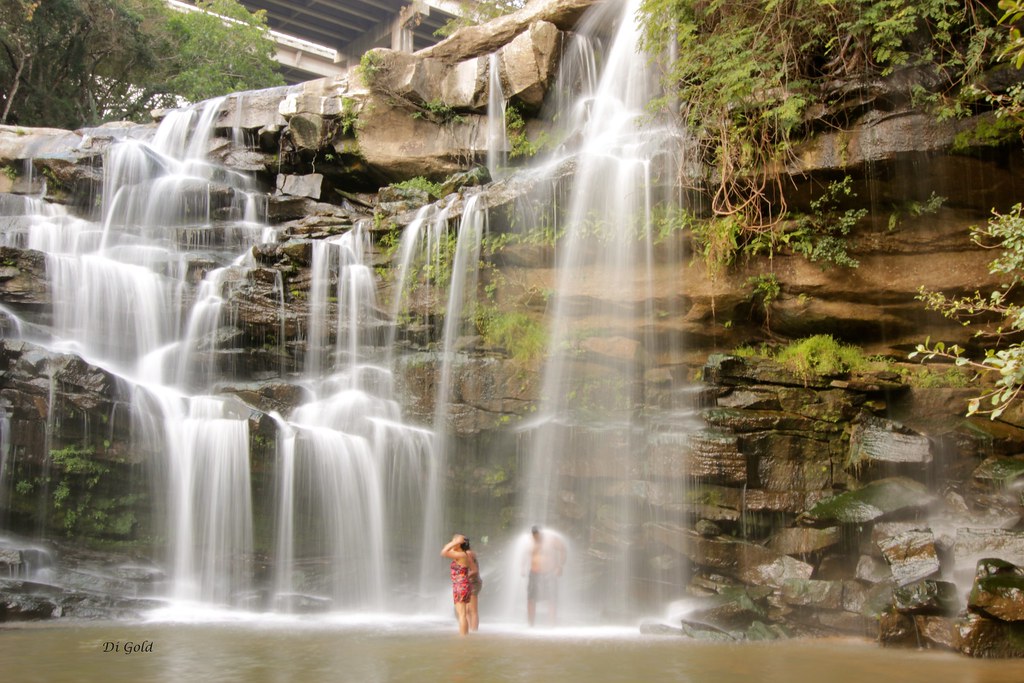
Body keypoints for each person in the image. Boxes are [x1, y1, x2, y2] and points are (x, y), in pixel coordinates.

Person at [524, 525, 566, 626]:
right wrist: (522, 567)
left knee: (552, 599)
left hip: (549, 573)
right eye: (534, 536)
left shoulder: (551, 540)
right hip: (534, 573)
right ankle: (531, 625)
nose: (536, 538)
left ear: (541, 533)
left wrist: (560, 566)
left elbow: (563, 549)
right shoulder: (529, 541)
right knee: (531, 599)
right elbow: (524, 555)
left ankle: (552, 625)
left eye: (537, 535)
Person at [441, 533, 479, 635]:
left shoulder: (461, 555)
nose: (452, 543)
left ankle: (463, 638)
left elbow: (444, 552)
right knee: (462, 613)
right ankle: (464, 635)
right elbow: (474, 569)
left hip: (460, 586)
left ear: (459, 544)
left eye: (455, 541)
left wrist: (455, 542)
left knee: (462, 614)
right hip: (462, 585)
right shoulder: (465, 554)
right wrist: (465, 577)